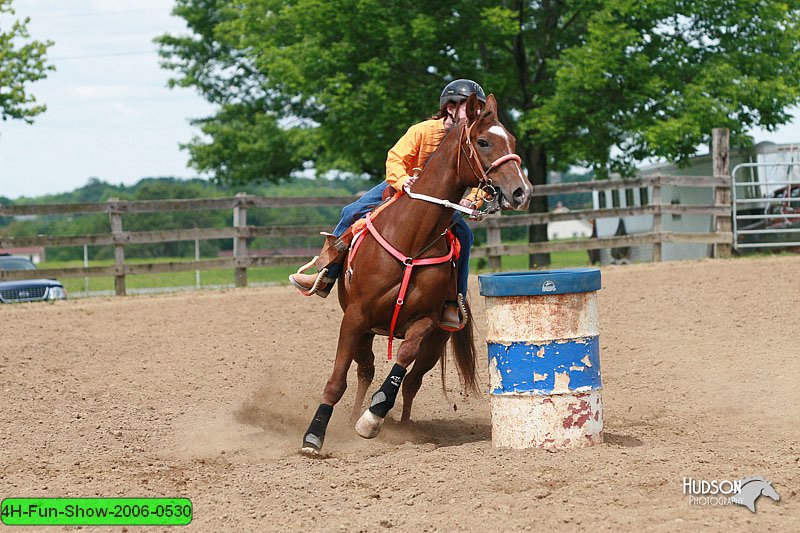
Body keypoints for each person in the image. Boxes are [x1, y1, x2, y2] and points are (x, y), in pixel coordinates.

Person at [290, 79, 488, 329]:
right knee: (351, 211)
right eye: (470, 107)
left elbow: (484, 174)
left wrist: (474, 200)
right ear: (450, 108)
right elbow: (395, 158)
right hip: (401, 187)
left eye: (479, 108)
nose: (476, 113)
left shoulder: (475, 140)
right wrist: (404, 181)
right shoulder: (423, 131)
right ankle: (326, 273)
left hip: (444, 202)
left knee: (465, 237)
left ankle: (453, 301)